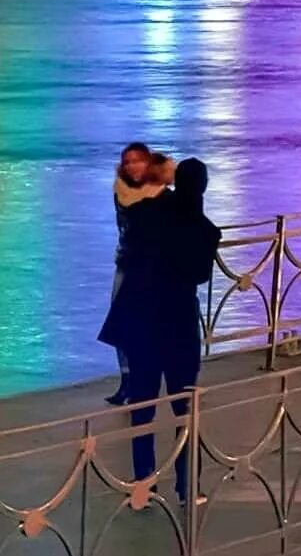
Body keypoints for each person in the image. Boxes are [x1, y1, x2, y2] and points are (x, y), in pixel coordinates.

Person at [99, 158, 221, 505]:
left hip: (142, 319)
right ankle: (187, 486)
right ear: (203, 188)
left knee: (143, 406)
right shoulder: (206, 231)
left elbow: (128, 220)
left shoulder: (151, 212)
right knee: (185, 408)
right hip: (179, 322)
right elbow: (199, 275)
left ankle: (143, 485)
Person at [105, 143, 168, 405]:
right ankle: (127, 380)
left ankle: (146, 378)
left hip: (152, 266)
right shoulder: (119, 192)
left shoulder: (162, 194)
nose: (132, 166)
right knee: (120, 320)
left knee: (149, 323)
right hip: (126, 262)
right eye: (127, 161)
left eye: (138, 160)